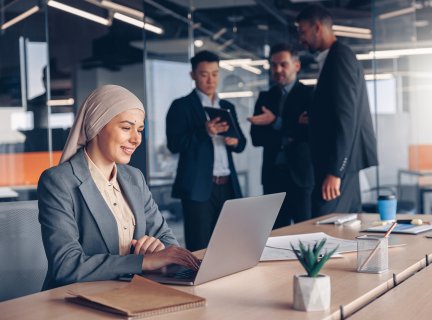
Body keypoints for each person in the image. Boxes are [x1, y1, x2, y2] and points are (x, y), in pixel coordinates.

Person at [38, 85, 199, 290]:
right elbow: (65, 265)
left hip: (128, 292)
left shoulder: (134, 178)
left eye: (139, 130)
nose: (136, 138)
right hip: (73, 299)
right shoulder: (58, 181)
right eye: (126, 127)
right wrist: (143, 262)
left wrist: (158, 249)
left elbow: (167, 239)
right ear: (97, 125)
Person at [296, 4, 378, 216]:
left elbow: (347, 118)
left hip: (337, 166)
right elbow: (335, 112)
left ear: (317, 28)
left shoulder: (339, 57)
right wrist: (314, 118)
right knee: (345, 228)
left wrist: (335, 171)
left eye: (302, 31)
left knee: (324, 229)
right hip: (339, 164)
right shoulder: (333, 57)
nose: (300, 39)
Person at [166, 50, 246, 251]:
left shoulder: (226, 106)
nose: (211, 80)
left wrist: (233, 141)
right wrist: (204, 132)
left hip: (227, 186)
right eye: (204, 74)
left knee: (230, 245)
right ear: (192, 75)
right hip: (198, 189)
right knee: (200, 247)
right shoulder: (181, 106)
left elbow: (242, 143)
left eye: (215, 73)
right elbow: (174, 144)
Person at [248, 43, 314, 228]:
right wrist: (294, 127)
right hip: (272, 177)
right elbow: (256, 138)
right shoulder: (264, 98)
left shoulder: (310, 95)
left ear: (296, 66)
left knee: (305, 232)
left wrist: (275, 122)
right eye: (273, 65)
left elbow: (311, 134)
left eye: (283, 64)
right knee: (275, 234)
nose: (278, 69)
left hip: (301, 177)